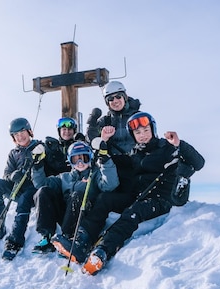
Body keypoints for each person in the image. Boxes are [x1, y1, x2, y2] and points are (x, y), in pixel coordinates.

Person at [57, 112, 205, 275]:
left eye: (146, 131)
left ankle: (103, 251)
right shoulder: (135, 153)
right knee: (105, 199)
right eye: (138, 133)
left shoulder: (167, 147)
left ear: (153, 129)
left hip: (160, 199)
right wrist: (103, 149)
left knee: (132, 214)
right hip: (137, 195)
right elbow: (115, 162)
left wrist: (180, 144)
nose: (142, 136)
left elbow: (198, 163)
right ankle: (81, 242)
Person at [30, 140, 119, 254]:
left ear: (90, 158)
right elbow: (40, 183)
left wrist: (104, 160)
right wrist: (37, 165)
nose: (80, 162)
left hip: (84, 214)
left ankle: (69, 238)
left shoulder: (95, 174)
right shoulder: (64, 177)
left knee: (77, 194)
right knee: (43, 191)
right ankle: (46, 236)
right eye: (75, 159)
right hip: (65, 213)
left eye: (84, 158)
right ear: (70, 161)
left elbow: (110, 185)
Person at [0, 117, 40, 261]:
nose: (20, 136)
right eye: (16, 135)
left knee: (24, 198)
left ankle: (15, 241)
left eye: (22, 132)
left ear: (29, 132)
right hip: (17, 187)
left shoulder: (38, 147)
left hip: (32, 191)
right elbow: (6, 174)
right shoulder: (14, 153)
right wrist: (14, 175)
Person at [86, 80, 142, 193]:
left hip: (135, 164)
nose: (115, 101)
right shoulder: (105, 121)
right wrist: (92, 126)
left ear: (125, 97)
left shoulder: (137, 117)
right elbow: (92, 141)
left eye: (118, 97)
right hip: (114, 167)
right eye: (110, 99)